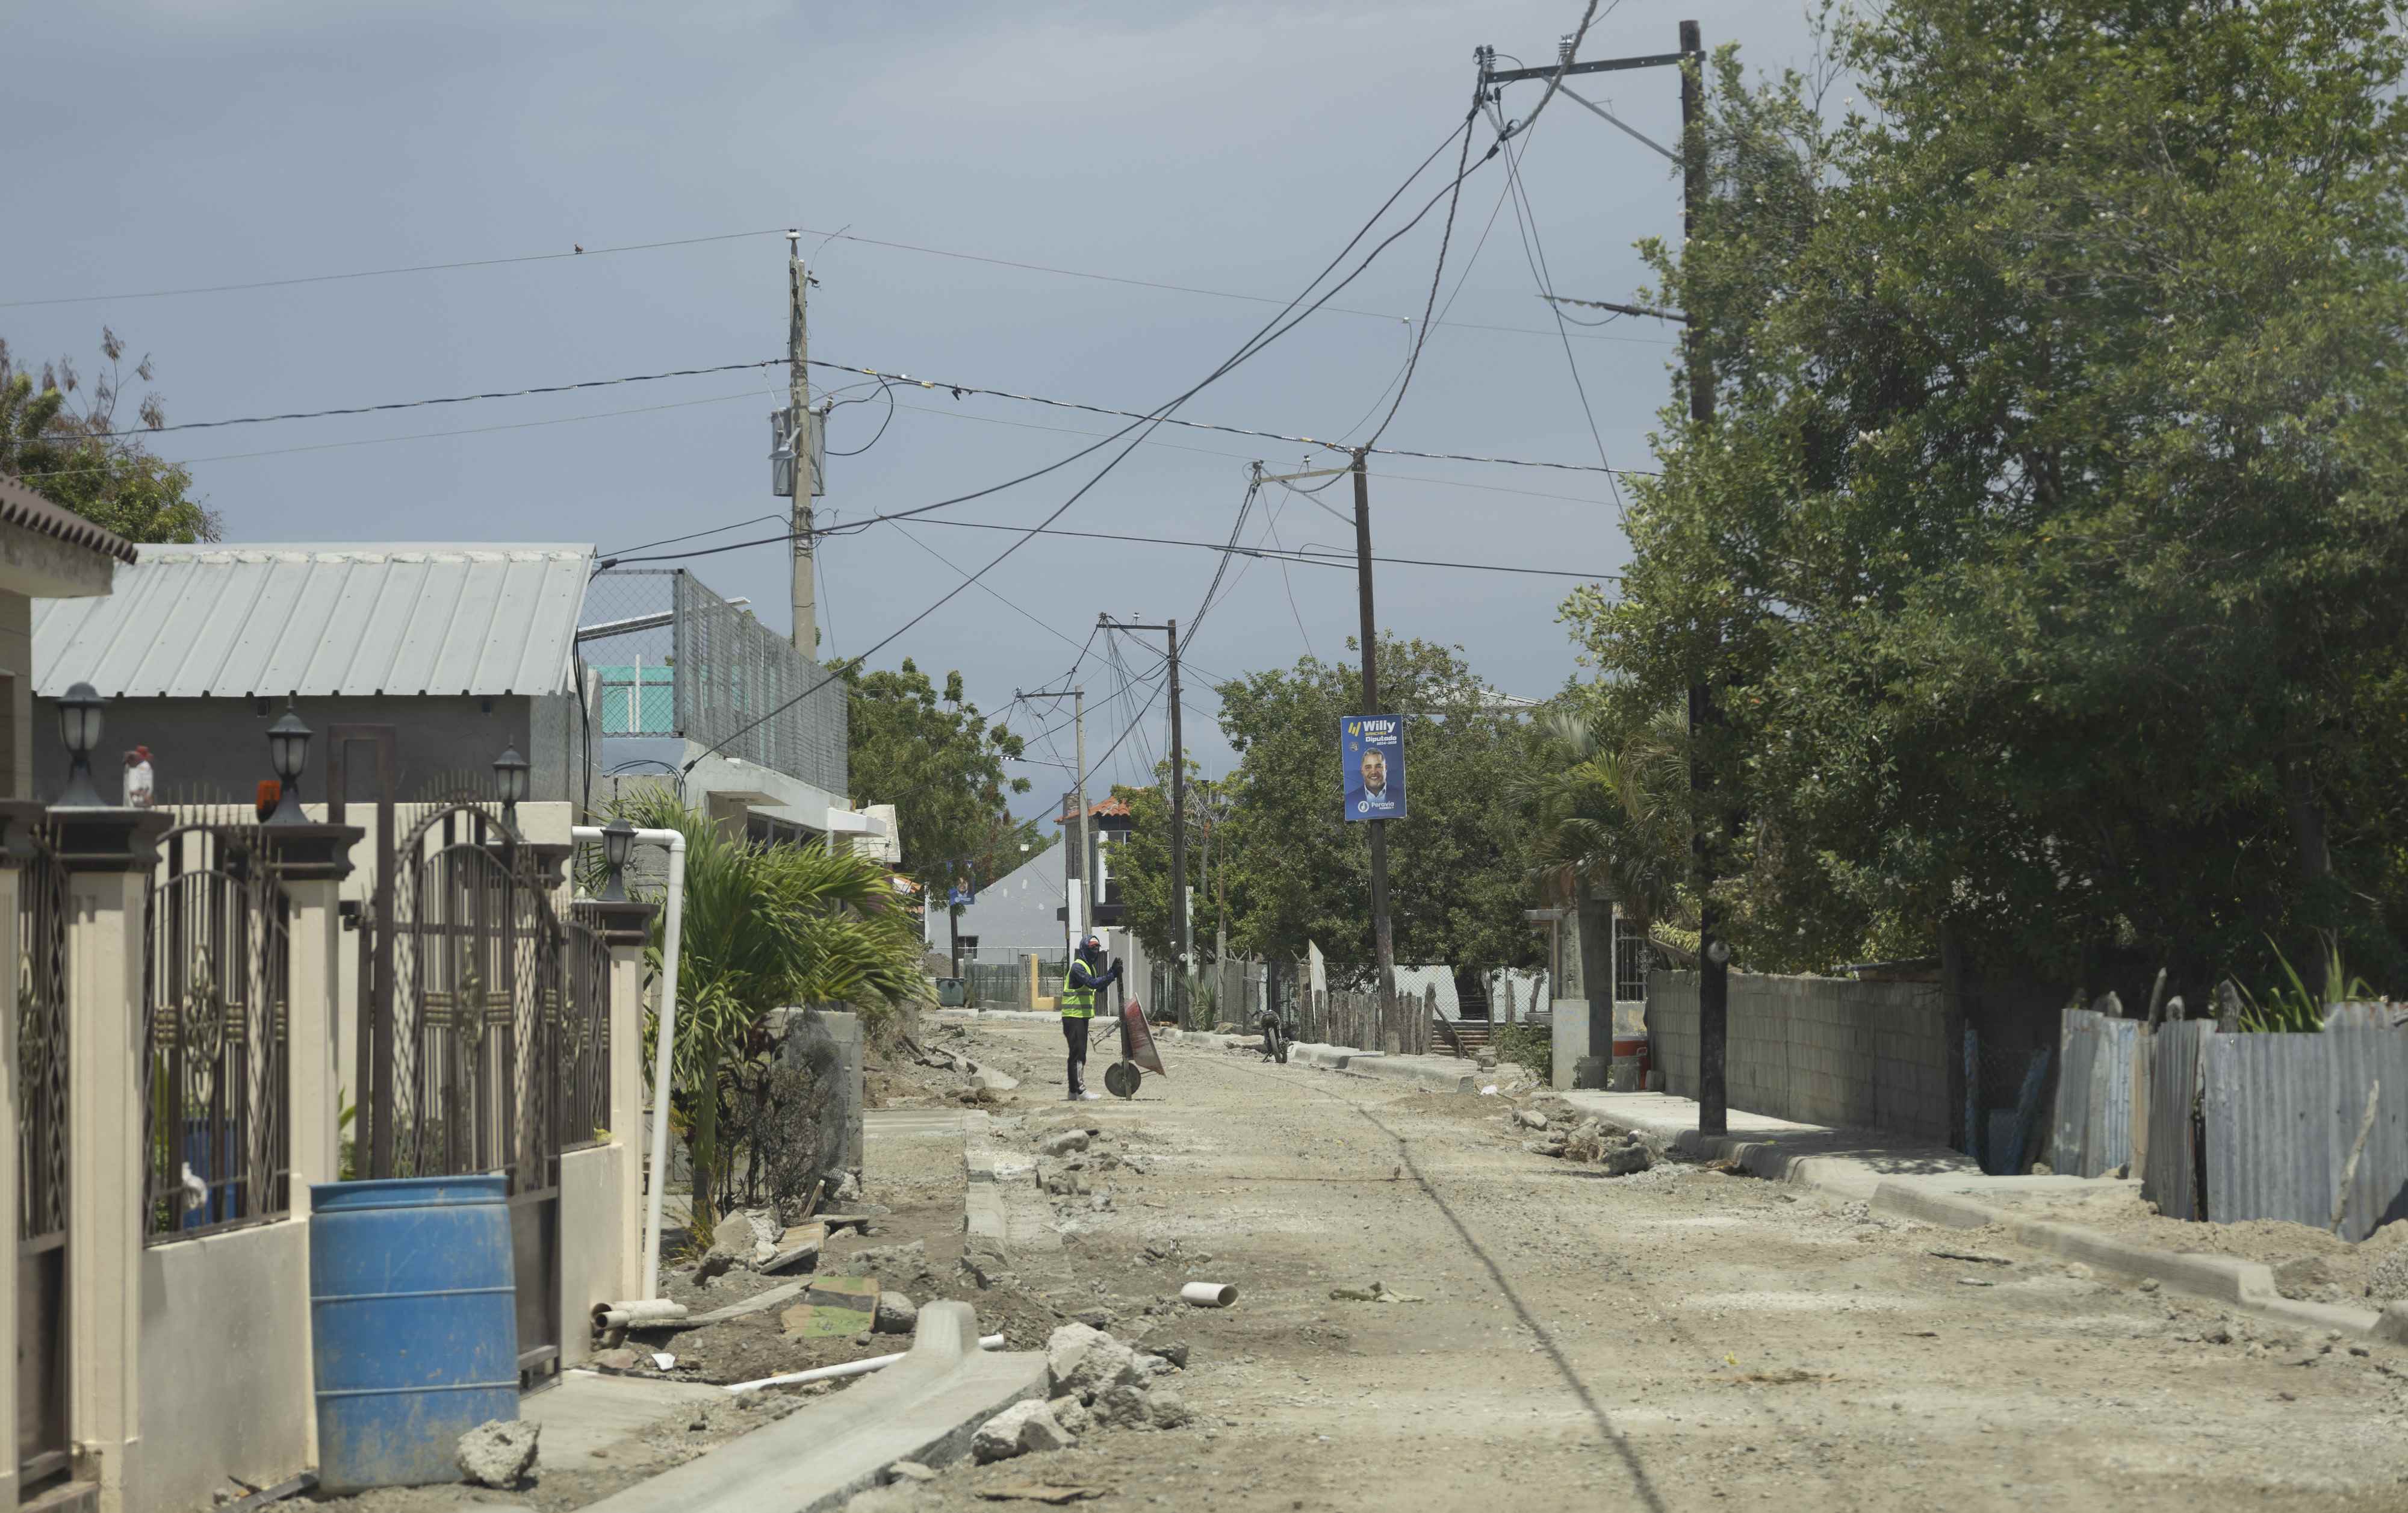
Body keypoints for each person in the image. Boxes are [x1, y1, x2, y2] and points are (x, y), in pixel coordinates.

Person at [1060, 933, 1122, 1101]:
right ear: (1084, 949)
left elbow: (1099, 988)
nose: (1095, 951)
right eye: (1092, 947)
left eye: (1097, 947)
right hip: (1073, 1016)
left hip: (1081, 1017)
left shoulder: (1090, 968)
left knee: (1077, 1053)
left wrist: (1112, 973)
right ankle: (1080, 1091)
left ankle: (1073, 1092)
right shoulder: (1078, 967)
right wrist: (1111, 974)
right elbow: (1094, 984)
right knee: (1079, 1053)